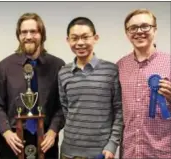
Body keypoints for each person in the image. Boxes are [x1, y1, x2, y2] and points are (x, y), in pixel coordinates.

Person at [0, 12, 65, 159]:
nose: (28, 36)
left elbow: (62, 106)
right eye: (24, 32)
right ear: (18, 36)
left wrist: (53, 131)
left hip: (46, 139)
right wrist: (6, 132)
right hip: (12, 140)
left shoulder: (58, 66)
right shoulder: (5, 66)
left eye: (33, 31)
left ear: (42, 35)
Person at [58, 17, 123, 159]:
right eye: (74, 38)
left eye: (85, 37)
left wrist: (112, 144)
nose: (80, 43)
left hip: (101, 153)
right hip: (69, 152)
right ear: (68, 40)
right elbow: (66, 110)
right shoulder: (63, 73)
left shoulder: (111, 70)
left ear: (95, 38)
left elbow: (119, 110)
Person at [117, 9, 171, 158]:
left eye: (145, 26)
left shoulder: (169, 63)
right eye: (133, 28)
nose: (139, 32)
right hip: (130, 153)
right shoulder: (120, 66)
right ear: (127, 33)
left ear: (155, 29)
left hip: (161, 153)